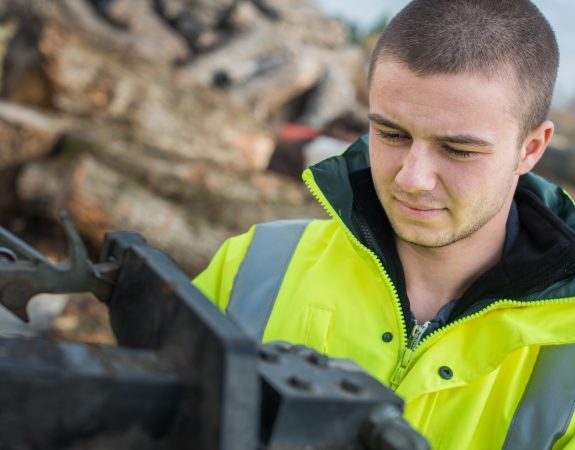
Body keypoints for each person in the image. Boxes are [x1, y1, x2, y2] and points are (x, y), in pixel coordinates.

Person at [194, 0, 575, 448]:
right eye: (392, 135)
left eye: (458, 150)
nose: (412, 180)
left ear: (530, 149)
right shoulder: (254, 265)